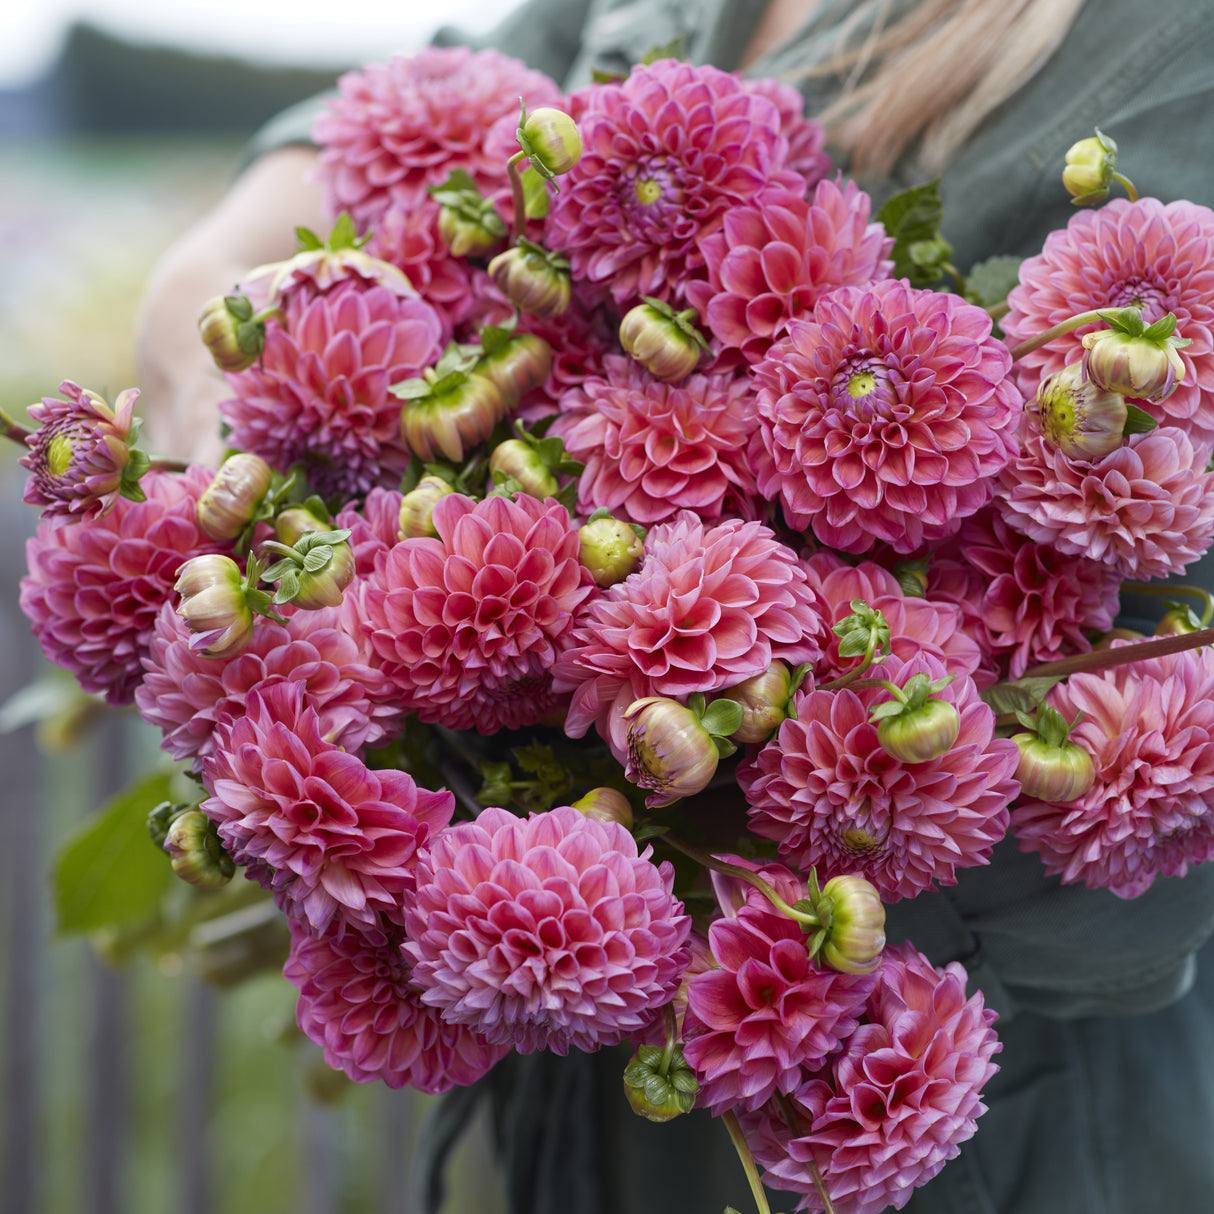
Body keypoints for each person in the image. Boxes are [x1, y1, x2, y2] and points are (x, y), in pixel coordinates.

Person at [134, 2, 1214, 1211]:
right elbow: (446, 92)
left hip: (1014, 1137)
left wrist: (681, 862)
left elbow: (1137, 856)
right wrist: (236, 239)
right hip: (598, 1093)